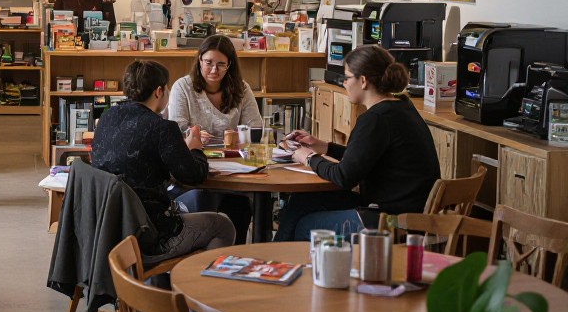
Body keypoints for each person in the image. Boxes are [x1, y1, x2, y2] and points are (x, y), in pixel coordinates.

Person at [277, 44, 440, 241]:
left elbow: (344, 177)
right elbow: (363, 157)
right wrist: (324, 147)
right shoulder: (401, 107)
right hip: (403, 213)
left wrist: (309, 158)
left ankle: (275, 257)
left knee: (305, 225)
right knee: (301, 201)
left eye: (346, 78)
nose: (344, 83)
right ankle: (271, 258)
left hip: (391, 221)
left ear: (363, 81)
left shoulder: (376, 119)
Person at [90, 59, 235, 261]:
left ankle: (162, 278)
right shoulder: (162, 128)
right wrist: (195, 148)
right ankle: (196, 280)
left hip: (109, 227)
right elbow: (194, 176)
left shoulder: (107, 118)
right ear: (159, 91)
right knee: (223, 226)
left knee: (188, 204)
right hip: (149, 233)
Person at [165, 34, 261, 241]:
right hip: (195, 169)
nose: (214, 70)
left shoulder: (242, 89)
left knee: (241, 208)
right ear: (199, 60)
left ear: (230, 65)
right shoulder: (183, 87)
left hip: (232, 171)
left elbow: (255, 128)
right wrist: (192, 133)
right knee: (204, 203)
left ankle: (236, 255)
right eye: (208, 63)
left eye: (221, 64)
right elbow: (176, 128)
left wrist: (238, 136)